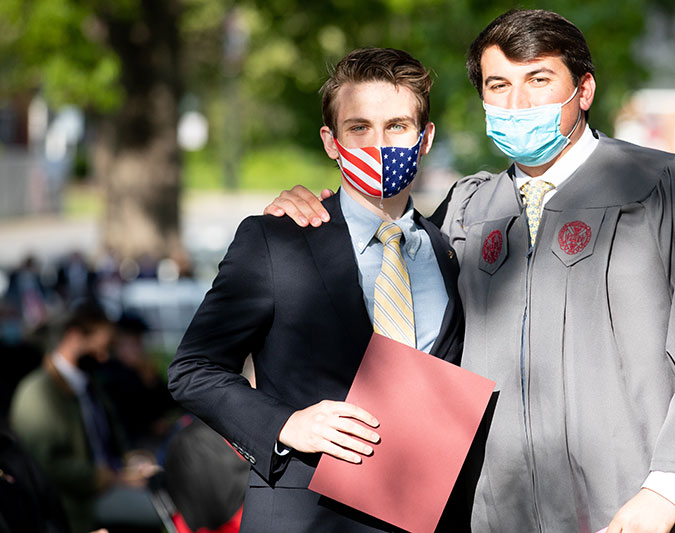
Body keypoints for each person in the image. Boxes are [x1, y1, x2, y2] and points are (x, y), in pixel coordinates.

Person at [266, 9, 675, 532]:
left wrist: (667, 492)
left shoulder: (667, 188)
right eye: (498, 86)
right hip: (496, 513)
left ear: (584, 90)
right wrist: (312, 216)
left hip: (641, 509)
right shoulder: (466, 209)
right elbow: (382, 282)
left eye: (539, 80)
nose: (517, 102)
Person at [167, 48, 465, 532]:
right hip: (304, 516)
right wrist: (285, 425)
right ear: (331, 141)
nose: (379, 144)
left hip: (421, 514)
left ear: (425, 137)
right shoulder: (276, 239)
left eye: (397, 126)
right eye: (359, 128)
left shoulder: (449, 252)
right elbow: (193, 370)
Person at [9, 303, 160, 533]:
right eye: (103, 346)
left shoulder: (89, 385)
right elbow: (46, 465)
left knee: (170, 492)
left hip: (110, 485)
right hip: (78, 503)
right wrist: (110, 478)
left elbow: (114, 444)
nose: (105, 356)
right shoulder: (38, 392)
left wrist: (133, 463)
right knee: (166, 510)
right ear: (75, 336)